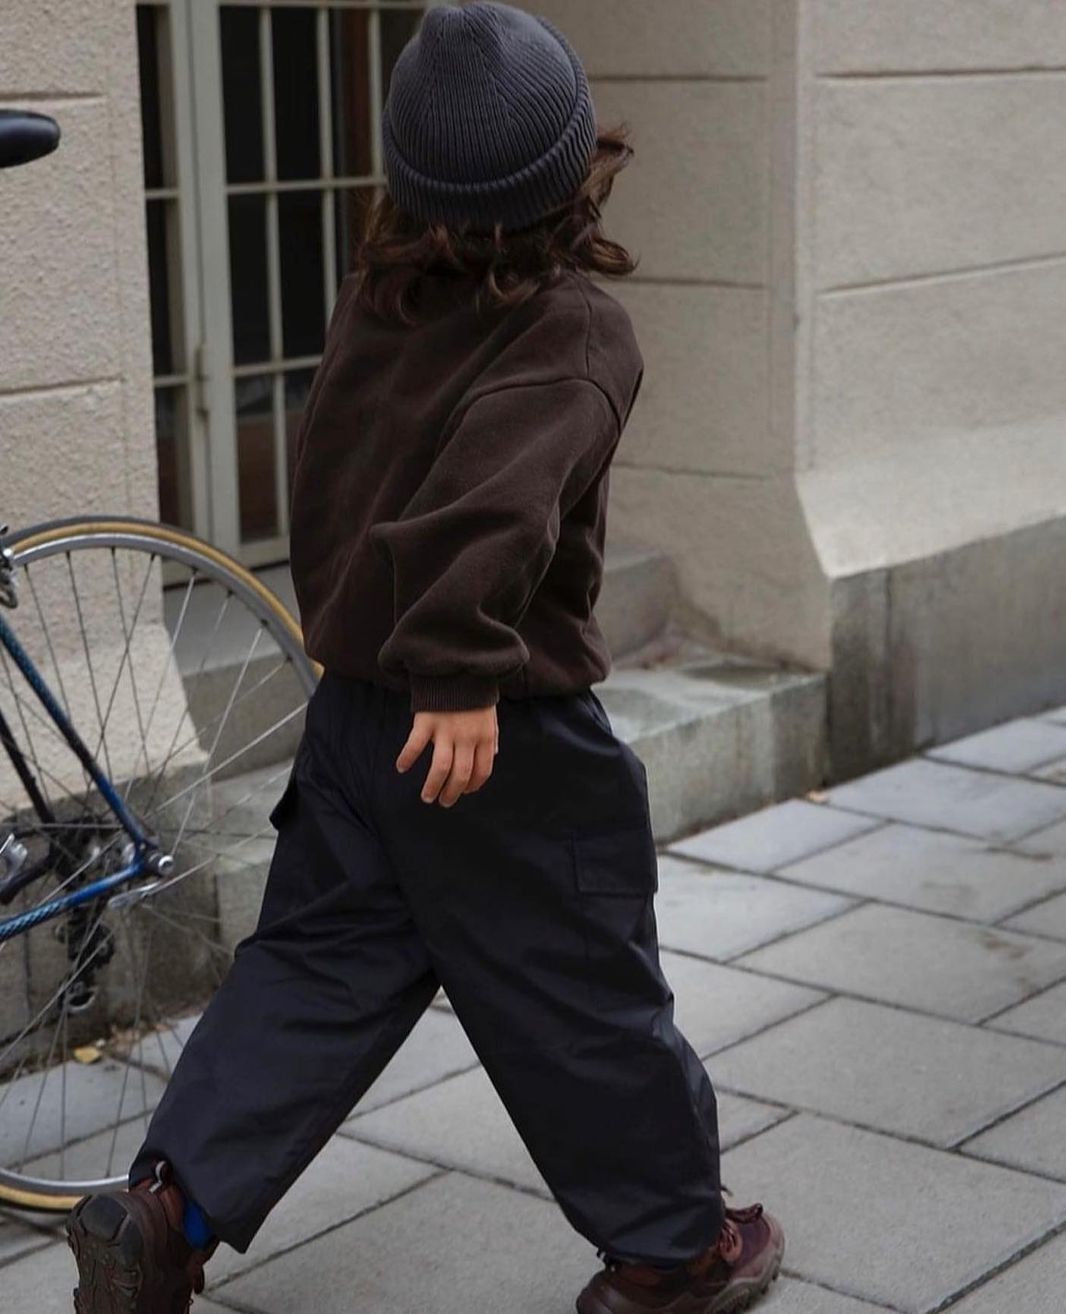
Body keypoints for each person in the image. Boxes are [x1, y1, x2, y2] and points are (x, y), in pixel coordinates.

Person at [65, 5, 784, 1312]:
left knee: (315, 964)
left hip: (355, 720)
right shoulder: (577, 330)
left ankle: (167, 1214)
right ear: (573, 170)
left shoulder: (378, 294)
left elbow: (342, 480)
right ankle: (673, 1250)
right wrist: (456, 671)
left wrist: (381, 652)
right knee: (577, 982)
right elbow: (489, 508)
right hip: (491, 731)